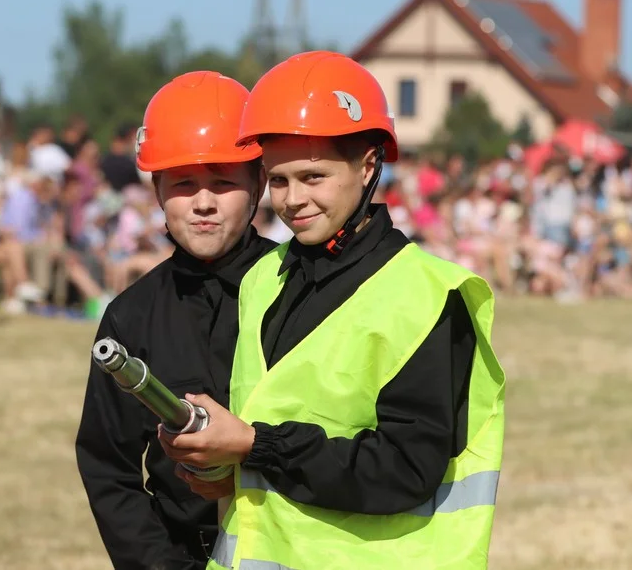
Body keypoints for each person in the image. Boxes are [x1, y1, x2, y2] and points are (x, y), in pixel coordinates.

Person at [158, 51, 506, 570]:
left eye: (313, 176)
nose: (292, 199)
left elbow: (404, 470)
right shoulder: (262, 279)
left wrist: (256, 446)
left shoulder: (430, 295)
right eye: (277, 180)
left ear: (368, 166)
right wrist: (221, 464)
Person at [75, 71, 277, 570]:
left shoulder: (307, 289)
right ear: (157, 188)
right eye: (184, 183)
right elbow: (108, 467)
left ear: (259, 184)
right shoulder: (131, 316)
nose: (203, 202)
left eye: (224, 182)